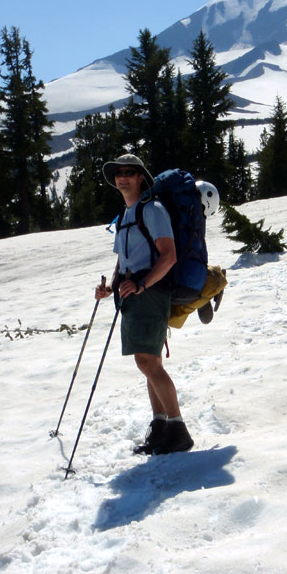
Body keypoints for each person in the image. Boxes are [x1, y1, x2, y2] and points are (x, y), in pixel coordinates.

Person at [95, 154, 194, 455]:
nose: (122, 177)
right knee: (150, 363)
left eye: (129, 172)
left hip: (150, 293)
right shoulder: (126, 215)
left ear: (141, 178)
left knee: (147, 363)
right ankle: (162, 427)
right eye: (118, 173)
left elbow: (169, 256)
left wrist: (142, 284)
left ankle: (177, 429)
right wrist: (110, 288)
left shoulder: (153, 210)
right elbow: (123, 260)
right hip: (134, 294)